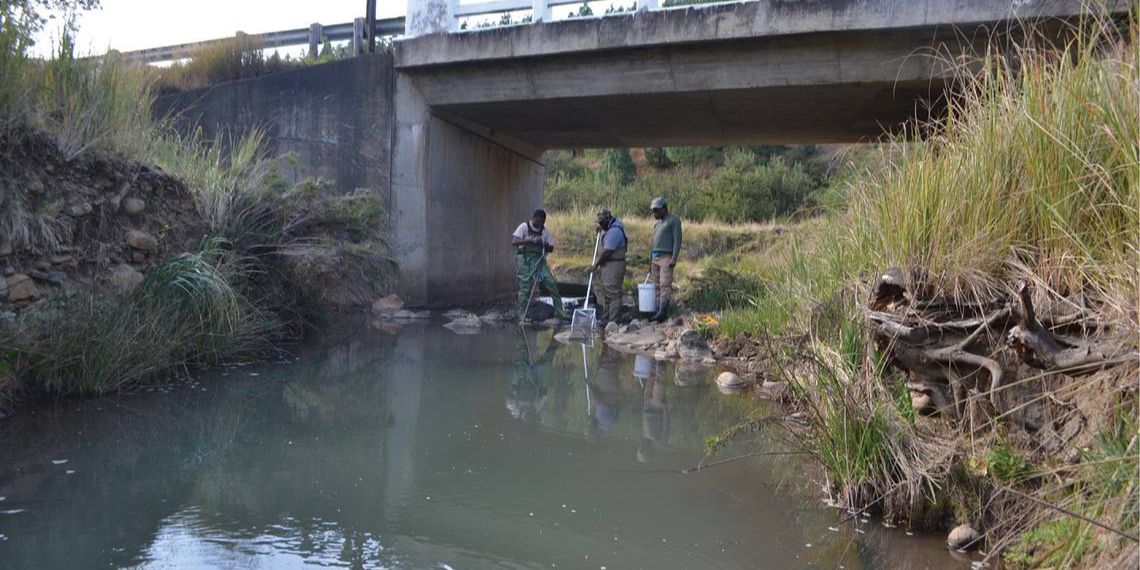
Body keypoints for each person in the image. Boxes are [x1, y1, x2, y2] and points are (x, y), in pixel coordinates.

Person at [512, 209, 568, 323]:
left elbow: (551, 248)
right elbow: (514, 241)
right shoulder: (524, 227)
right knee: (525, 288)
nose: (540, 224)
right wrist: (528, 240)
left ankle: (560, 313)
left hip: (539, 261)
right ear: (533, 218)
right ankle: (521, 316)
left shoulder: (545, 232)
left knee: (551, 283)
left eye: (542, 222)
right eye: (538, 221)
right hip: (525, 261)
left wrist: (543, 243)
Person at [647, 196, 682, 323]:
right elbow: (653, 243)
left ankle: (663, 311)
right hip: (655, 257)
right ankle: (657, 311)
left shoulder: (673, 221)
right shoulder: (657, 224)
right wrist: (649, 261)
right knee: (656, 285)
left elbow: (678, 240)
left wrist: (674, 258)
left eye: (656, 210)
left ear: (664, 208)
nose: (654, 213)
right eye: (653, 210)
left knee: (665, 284)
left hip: (666, 256)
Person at [591, 209, 627, 326]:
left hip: (614, 265)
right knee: (607, 294)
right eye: (599, 223)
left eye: (602, 223)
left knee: (613, 293)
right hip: (607, 265)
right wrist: (601, 229)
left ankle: (613, 322)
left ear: (608, 220)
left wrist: (595, 265)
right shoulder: (609, 228)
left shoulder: (615, 231)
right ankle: (606, 319)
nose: (600, 225)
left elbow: (607, 252)